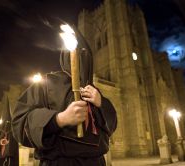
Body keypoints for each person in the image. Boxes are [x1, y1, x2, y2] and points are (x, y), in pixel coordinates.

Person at [11, 25, 117, 166]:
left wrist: (101, 103)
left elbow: (111, 126)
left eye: (83, 55)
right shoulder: (46, 83)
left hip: (96, 162)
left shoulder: (94, 90)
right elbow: (20, 123)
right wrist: (59, 119)